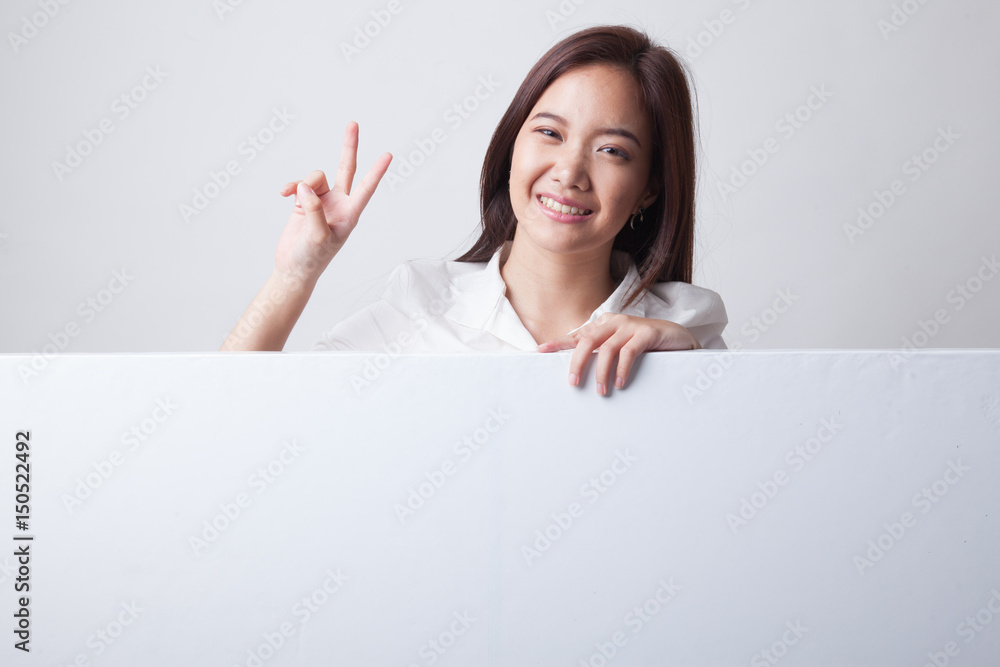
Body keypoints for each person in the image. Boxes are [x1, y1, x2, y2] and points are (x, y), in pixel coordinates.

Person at [220, 24, 728, 396]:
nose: (570, 172)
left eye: (612, 151)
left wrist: (691, 374)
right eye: (549, 133)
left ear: (650, 189)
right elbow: (229, 412)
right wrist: (294, 274)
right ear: (512, 148)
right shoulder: (419, 309)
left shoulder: (685, 330)